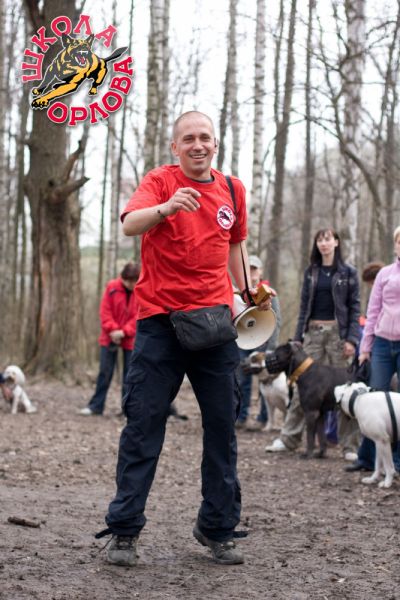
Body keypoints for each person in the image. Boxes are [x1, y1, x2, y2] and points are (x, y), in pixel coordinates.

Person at [97, 111, 272, 567]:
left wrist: (249, 292)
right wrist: (167, 208)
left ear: (215, 144)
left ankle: (217, 527)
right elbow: (130, 223)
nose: (198, 145)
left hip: (215, 325)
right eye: (189, 139)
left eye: (205, 138)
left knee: (222, 428)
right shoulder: (160, 181)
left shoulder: (233, 189)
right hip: (160, 323)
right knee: (143, 425)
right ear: (175, 147)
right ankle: (124, 530)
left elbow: (235, 245)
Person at [265, 227, 361, 460]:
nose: (323, 243)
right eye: (320, 240)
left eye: (328, 239)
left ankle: (350, 447)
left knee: (346, 391)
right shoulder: (311, 272)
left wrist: (352, 339)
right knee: (302, 388)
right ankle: (289, 439)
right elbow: (303, 308)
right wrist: (298, 337)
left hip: (338, 335)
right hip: (313, 335)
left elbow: (355, 307)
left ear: (336, 242)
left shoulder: (348, 272)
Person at [347, 228, 400, 472]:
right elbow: (373, 310)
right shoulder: (384, 274)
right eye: (399, 241)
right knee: (372, 398)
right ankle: (366, 459)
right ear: (395, 245)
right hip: (381, 344)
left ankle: (396, 461)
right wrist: (365, 347)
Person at [79, 262, 139, 416]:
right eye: (129, 281)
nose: (131, 284)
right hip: (109, 336)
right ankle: (96, 406)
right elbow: (105, 311)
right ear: (123, 278)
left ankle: (128, 410)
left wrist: (124, 332)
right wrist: (113, 330)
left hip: (130, 338)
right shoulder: (112, 287)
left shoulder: (139, 290)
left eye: (134, 281)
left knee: (130, 375)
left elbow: (138, 315)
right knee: (105, 372)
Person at [236, 254, 282, 430]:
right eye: (248, 268)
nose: (251, 272)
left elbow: (276, 320)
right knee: (242, 381)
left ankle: (263, 419)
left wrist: (272, 347)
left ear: (260, 271)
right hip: (243, 342)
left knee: (265, 382)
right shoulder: (239, 292)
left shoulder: (268, 292)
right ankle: (241, 417)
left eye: (254, 269)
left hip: (263, 343)